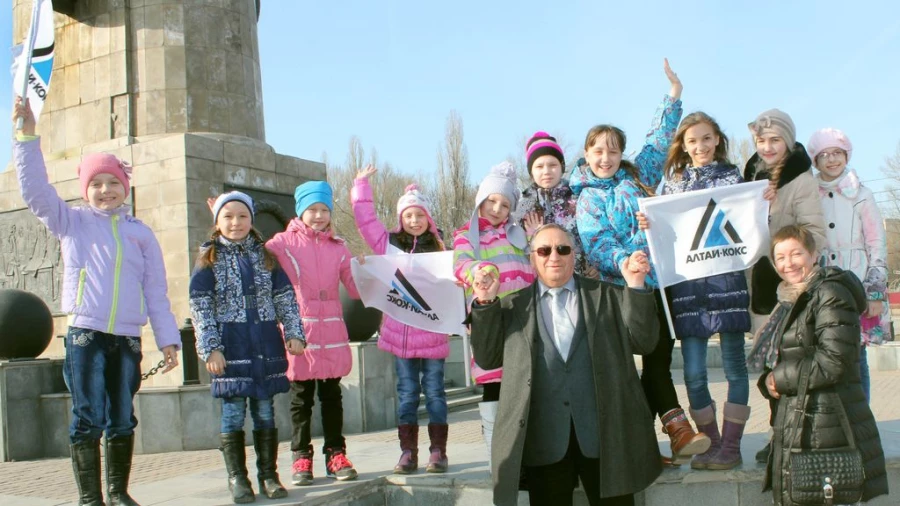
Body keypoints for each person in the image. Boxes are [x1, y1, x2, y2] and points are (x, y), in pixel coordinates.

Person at [13, 97, 180, 506]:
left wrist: (168, 340)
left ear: (125, 187)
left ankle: (118, 493)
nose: (105, 190)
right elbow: (34, 190)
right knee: (87, 417)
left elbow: (156, 292)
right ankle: (91, 498)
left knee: (122, 418)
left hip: (126, 338)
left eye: (113, 183)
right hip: (85, 335)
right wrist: (26, 137)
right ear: (85, 190)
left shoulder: (141, 234)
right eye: (96, 184)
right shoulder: (71, 222)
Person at [571, 59, 710, 465]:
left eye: (613, 150)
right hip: (618, 292)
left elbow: (659, 139)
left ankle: (656, 444)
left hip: (656, 284)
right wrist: (625, 260)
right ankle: (673, 430)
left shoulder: (637, 174)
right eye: (598, 151)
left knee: (659, 359)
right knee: (624, 370)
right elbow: (596, 242)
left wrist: (674, 95)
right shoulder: (587, 197)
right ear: (586, 153)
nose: (606, 158)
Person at [469, 223, 661, 506]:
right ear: (532, 258)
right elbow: (487, 358)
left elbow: (644, 342)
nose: (554, 257)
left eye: (562, 249)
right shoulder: (512, 307)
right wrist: (485, 303)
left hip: (606, 439)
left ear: (574, 255)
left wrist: (635, 285)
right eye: (544, 250)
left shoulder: (608, 296)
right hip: (544, 440)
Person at [636, 112, 751, 470]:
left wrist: (764, 199)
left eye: (706, 138)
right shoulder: (672, 187)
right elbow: (666, 234)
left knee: (735, 368)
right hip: (688, 291)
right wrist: (650, 223)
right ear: (683, 146)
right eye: (692, 141)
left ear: (717, 139)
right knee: (694, 374)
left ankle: (731, 447)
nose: (700, 146)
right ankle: (711, 444)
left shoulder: (734, 178)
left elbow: (748, 221)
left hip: (727, 284)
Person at [748, 225, 887, 505]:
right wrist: (768, 381)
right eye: (780, 257)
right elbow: (784, 358)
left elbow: (833, 361)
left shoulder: (830, 293)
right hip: (805, 422)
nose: (788, 263)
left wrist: (779, 378)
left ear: (813, 255)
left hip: (829, 423)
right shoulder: (790, 299)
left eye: (796, 254)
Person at [189, 192, 305, 504]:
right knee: (233, 413)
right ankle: (237, 477)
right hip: (231, 346)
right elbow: (200, 306)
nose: (235, 222)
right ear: (217, 222)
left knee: (265, 411)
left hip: (264, 343)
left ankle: (268, 474)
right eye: (228, 216)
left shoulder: (266, 257)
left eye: (242, 216)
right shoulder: (209, 259)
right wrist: (210, 348)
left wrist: (294, 333)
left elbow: (284, 297)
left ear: (251, 220)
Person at [351, 165, 451, 474]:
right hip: (401, 337)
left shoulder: (441, 248)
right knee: (407, 395)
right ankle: (408, 452)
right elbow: (366, 222)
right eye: (409, 215)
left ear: (428, 218)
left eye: (420, 215)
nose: (415, 221)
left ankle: (438, 452)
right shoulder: (388, 244)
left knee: (435, 393)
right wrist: (361, 185)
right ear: (400, 218)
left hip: (433, 334)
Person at [744, 109, 826, 463]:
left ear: (788, 141)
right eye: (761, 140)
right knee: (770, 368)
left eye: (775, 140)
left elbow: (814, 232)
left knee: (793, 364)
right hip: (760, 289)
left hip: (791, 290)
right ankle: (777, 434)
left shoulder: (801, 179)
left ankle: (797, 435)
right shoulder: (749, 175)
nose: (767, 147)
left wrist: (788, 258)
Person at [266, 181, 361, 485]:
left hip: (331, 332)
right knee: (300, 399)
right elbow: (255, 253)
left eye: (324, 210)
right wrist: (224, 215)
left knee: (332, 397)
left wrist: (371, 272)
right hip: (300, 332)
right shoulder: (283, 243)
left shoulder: (339, 247)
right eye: (312, 209)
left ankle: (336, 454)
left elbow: (355, 288)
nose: (319, 216)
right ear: (300, 212)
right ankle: (300, 456)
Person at [452, 161, 536, 466]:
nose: (497, 209)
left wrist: (535, 240)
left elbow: (533, 269)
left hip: (522, 319)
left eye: (505, 204)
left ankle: (526, 457)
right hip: (490, 319)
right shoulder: (467, 235)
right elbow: (461, 263)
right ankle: (497, 458)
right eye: (492, 201)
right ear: (481, 200)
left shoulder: (518, 235)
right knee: (494, 383)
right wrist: (479, 270)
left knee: (524, 384)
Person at [808, 128, 888, 402]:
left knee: (857, 353)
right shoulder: (810, 195)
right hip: (822, 283)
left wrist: (874, 292)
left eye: (837, 153)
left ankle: (861, 414)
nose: (831, 160)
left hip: (857, 280)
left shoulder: (862, 194)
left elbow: (876, 243)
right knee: (827, 349)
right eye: (824, 155)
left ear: (846, 155)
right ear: (815, 160)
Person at [512, 131, 594, 277]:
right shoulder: (524, 207)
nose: (546, 171)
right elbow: (519, 251)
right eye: (539, 166)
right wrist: (533, 236)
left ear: (561, 167)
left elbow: (593, 232)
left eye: (552, 165)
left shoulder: (578, 197)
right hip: (543, 280)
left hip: (581, 278)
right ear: (531, 172)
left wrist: (596, 263)